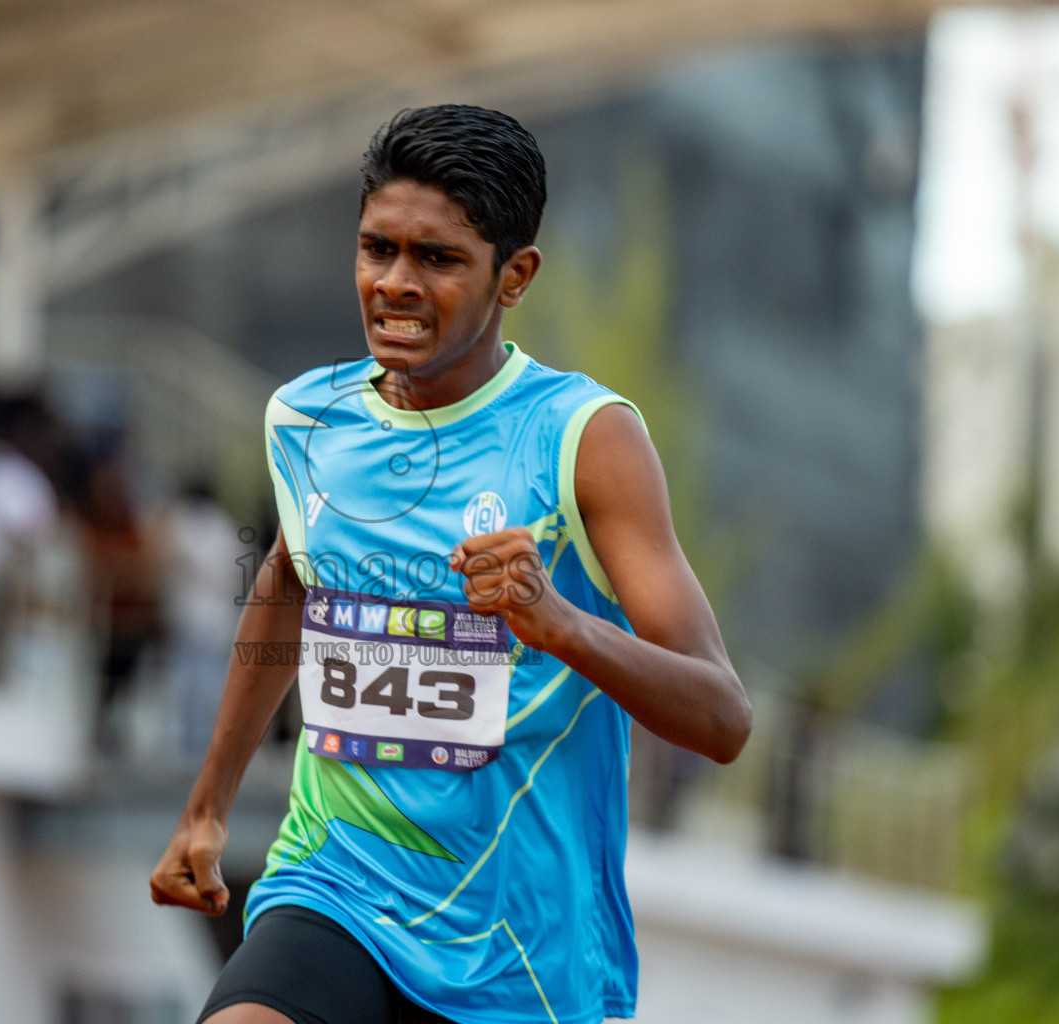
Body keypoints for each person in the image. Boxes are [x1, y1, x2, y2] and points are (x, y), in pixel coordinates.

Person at [150, 104, 752, 1024]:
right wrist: (207, 807)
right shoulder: (308, 422)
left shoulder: (584, 440)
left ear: (515, 276)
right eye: (376, 248)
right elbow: (287, 581)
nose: (394, 284)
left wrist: (564, 627)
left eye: (437, 259)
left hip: (521, 951)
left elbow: (722, 717)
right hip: (337, 884)